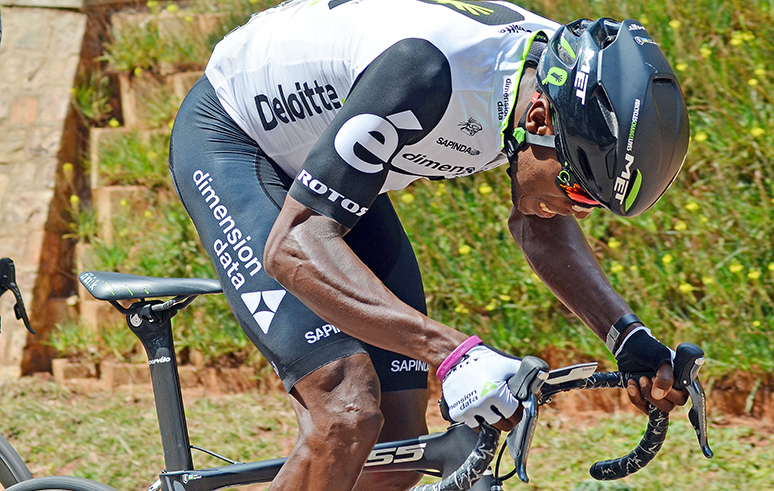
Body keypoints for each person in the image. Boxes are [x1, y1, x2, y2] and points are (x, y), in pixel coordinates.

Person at [168, 1, 690, 490]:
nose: (578, 210)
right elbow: (295, 246)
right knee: (345, 410)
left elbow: (540, 222)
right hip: (236, 139)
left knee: (399, 452)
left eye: (594, 202)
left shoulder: (560, 83)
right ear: (538, 120)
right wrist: (453, 355)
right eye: (577, 188)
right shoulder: (426, 71)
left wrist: (627, 337)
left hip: (333, 164)